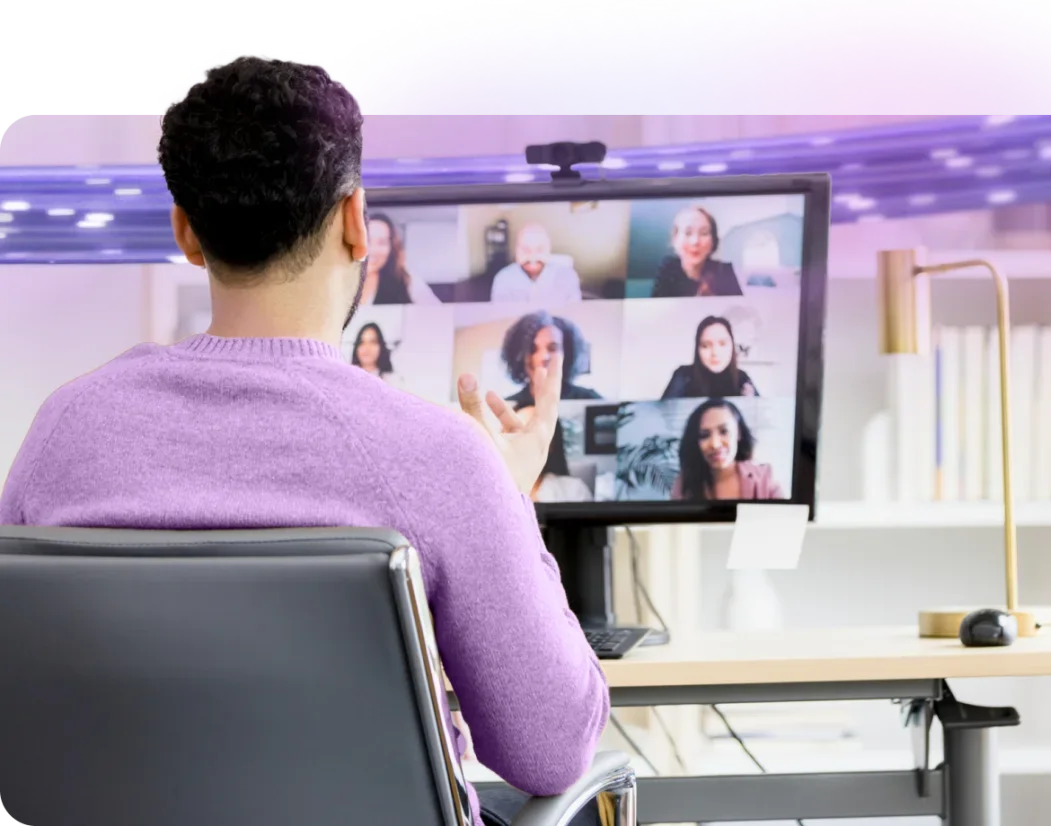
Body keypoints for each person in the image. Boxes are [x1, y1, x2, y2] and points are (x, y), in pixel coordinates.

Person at [0, 55, 606, 826]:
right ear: (356, 222)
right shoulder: (443, 457)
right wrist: (507, 497)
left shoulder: (66, 430)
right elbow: (550, 751)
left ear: (186, 231)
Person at [670, 399, 782, 501]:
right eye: (704, 435)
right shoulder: (683, 485)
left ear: (738, 433)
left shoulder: (765, 479)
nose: (715, 444)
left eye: (724, 431)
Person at [501, 310, 602, 409]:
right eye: (533, 349)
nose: (543, 357)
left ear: (567, 353)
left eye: (553, 348)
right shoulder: (508, 408)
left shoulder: (590, 401)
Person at [650, 205, 743, 298]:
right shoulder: (668, 269)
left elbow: (737, 309)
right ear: (675, 239)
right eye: (688, 233)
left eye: (704, 233)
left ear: (713, 241)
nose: (695, 241)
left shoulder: (724, 271)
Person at [662, 315, 759, 399]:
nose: (715, 353)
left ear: (732, 346)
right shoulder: (683, 376)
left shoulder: (742, 379)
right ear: (697, 349)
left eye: (722, 344)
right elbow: (663, 416)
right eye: (706, 346)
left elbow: (759, 416)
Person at [490, 223, 583, 304]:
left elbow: (574, 314)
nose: (532, 257)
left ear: (548, 250)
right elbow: (501, 317)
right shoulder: (503, 279)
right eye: (525, 250)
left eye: (539, 249)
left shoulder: (568, 276)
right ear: (516, 251)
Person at [516, 409, 593, 504]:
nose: (522, 441)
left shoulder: (573, 490)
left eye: (532, 431)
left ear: (551, 443)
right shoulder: (497, 489)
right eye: (515, 431)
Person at [365, 212, 441, 305]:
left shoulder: (407, 282)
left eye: (382, 243)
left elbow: (440, 315)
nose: (373, 250)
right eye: (367, 240)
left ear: (391, 247)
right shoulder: (342, 282)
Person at [350, 322, 404, 390]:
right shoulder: (348, 378)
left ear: (381, 346)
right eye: (361, 342)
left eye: (372, 342)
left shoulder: (392, 381)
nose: (366, 348)